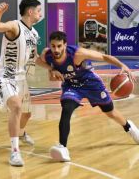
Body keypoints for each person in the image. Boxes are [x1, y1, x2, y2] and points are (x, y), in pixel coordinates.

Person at [36, 31, 139, 162]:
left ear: (65, 45)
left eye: (59, 46)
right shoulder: (47, 54)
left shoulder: (78, 54)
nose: (56, 49)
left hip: (91, 83)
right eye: (53, 46)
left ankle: (129, 128)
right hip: (72, 86)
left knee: (110, 112)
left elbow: (104, 57)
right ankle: (63, 147)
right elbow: (38, 61)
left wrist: (122, 65)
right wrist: (51, 69)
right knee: (66, 109)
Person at [0, 0, 42, 166]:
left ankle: (20, 133)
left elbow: (36, 59)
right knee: (16, 107)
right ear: (30, 12)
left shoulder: (34, 33)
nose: (40, 14)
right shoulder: (14, 26)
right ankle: (14, 152)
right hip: (5, 76)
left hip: (21, 78)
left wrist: (53, 69)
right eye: (38, 11)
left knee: (27, 114)